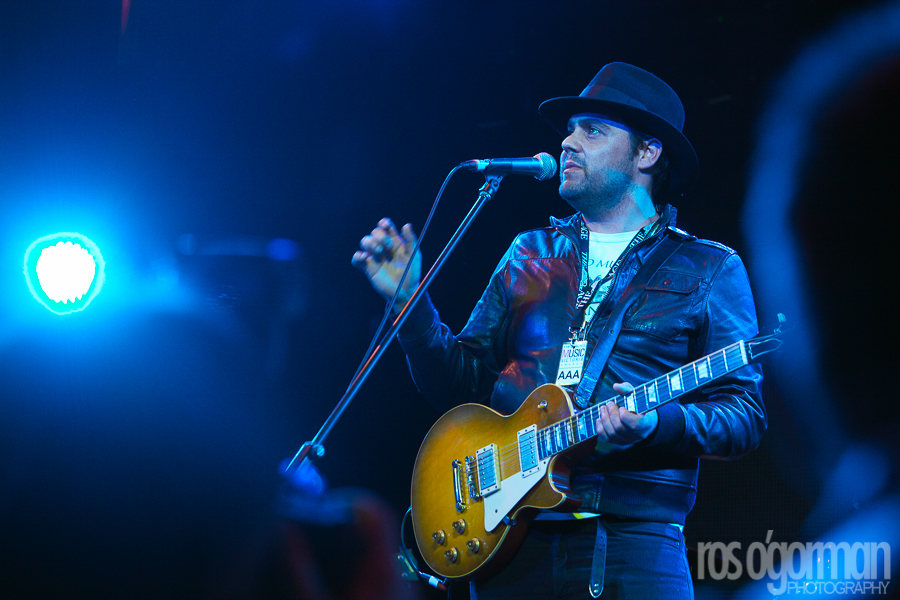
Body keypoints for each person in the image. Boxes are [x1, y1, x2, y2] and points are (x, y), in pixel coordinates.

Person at [352, 63, 765, 600]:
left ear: (647, 153)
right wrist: (411, 305)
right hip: (509, 545)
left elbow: (744, 416)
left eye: (592, 130)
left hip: (631, 546)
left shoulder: (708, 268)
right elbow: (462, 383)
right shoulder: (531, 252)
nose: (568, 142)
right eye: (570, 129)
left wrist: (657, 424)